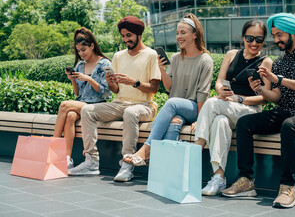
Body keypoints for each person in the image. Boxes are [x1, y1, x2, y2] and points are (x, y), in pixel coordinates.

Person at [222, 13, 295, 209]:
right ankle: (246, 180)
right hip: (285, 111)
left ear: (292, 32)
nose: (276, 40)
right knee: (245, 122)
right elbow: (277, 97)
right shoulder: (280, 62)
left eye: (280, 35)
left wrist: (279, 79)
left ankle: (288, 187)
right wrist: (260, 89)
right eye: (274, 35)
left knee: (289, 125)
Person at [68, 16, 161, 182]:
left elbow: (154, 88)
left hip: (144, 105)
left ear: (139, 34)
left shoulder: (151, 55)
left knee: (131, 113)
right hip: (120, 103)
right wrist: (111, 83)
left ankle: (127, 162)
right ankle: (91, 161)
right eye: (123, 36)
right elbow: (116, 90)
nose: (126, 39)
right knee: (87, 110)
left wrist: (133, 82)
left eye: (129, 35)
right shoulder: (118, 56)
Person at [193, 19, 273, 196]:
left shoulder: (265, 62)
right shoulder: (231, 54)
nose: (254, 43)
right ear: (243, 38)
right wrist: (222, 91)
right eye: (250, 38)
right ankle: (219, 178)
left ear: (264, 41)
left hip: (249, 110)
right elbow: (219, 81)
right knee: (220, 122)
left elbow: (264, 98)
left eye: (259, 40)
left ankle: (195, 150)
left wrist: (240, 99)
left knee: (212, 102)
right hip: (226, 107)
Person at [124, 13, 213, 166]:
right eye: (177, 33)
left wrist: (200, 119)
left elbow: (203, 93)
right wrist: (162, 70)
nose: (179, 36)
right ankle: (166, 169)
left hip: (195, 109)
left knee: (172, 103)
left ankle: (147, 149)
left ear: (195, 35)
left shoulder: (205, 59)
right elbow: (169, 87)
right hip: (177, 109)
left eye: (183, 32)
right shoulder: (175, 58)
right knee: (174, 123)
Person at [53, 27, 112, 169]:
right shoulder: (80, 65)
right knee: (70, 116)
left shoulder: (104, 64)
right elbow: (77, 93)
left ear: (92, 46)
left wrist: (89, 79)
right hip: (83, 104)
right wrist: (72, 79)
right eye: (79, 51)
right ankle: (67, 159)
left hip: (98, 105)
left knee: (64, 105)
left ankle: (53, 145)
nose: (81, 53)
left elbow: (105, 92)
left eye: (83, 49)